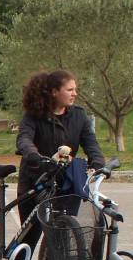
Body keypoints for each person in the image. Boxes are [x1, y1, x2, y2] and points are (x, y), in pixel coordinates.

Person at [15, 69, 105, 230]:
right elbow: (24, 137)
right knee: (29, 236)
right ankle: (17, 255)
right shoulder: (34, 115)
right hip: (35, 181)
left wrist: (97, 162)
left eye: (75, 89)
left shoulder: (79, 116)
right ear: (55, 92)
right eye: (70, 90)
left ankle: (54, 256)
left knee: (61, 234)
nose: (75, 94)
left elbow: (91, 143)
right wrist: (31, 153)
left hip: (64, 181)